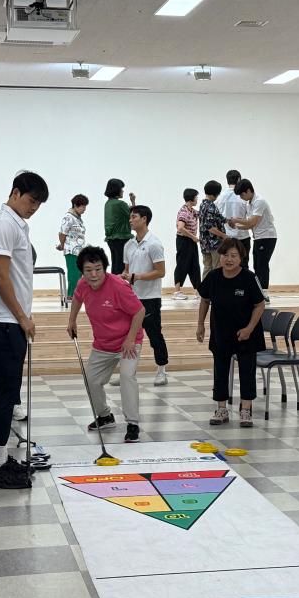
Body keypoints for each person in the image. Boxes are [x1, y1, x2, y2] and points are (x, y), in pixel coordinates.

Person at [0, 171, 50, 488]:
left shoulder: (15, 223)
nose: (34, 207)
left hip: (9, 321)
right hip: (2, 322)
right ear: (15, 192)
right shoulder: (4, 224)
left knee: (7, 393)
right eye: (31, 200)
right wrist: (22, 317)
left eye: (39, 203)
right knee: (4, 394)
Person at [67, 246, 145, 443]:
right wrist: (72, 320)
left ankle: (133, 423)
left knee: (127, 377)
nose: (94, 275)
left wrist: (130, 339)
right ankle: (105, 416)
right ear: (82, 271)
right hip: (103, 344)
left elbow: (139, 311)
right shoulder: (83, 284)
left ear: (105, 268)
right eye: (88, 270)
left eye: (98, 269)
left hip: (128, 341)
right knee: (91, 380)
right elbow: (77, 298)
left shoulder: (118, 286)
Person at [196, 238, 266, 428]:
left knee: (247, 371)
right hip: (221, 332)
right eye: (225, 255)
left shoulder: (249, 278)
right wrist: (200, 324)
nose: (229, 259)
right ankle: (221, 409)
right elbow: (204, 300)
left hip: (246, 334)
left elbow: (260, 305)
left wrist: (249, 328)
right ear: (220, 256)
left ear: (241, 258)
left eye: (234, 256)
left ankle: (246, 410)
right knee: (220, 371)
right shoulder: (213, 277)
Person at [123, 205, 168, 386]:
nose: (130, 220)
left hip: (150, 297)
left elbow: (161, 271)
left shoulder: (154, 243)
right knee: (128, 335)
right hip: (131, 297)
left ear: (144, 219)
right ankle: (127, 372)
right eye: (130, 217)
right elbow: (127, 271)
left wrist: (137, 277)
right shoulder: (129, 244)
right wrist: (122, 277)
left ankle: (161, 370)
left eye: (134, 217)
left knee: (154, 334)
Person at [228, 179, 277, 301]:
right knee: (256, 265)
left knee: (261, 265)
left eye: (242, 194)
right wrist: (236, 226)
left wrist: (236, 220)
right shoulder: (250, 203)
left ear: (248, 190)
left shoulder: (259, 201)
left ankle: (264, 293)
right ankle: (259, 291)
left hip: (267, 237)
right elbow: (250, 225)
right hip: (259, 237)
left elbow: (252, 222)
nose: (241, 197)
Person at [216, 170, 251, 268]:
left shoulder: (220, 198)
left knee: (226, 266)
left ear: (227, 180)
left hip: (226, 236)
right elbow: (250, 217)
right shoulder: (243, 196)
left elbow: (217, 218)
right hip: (242, 236)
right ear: (239, 179)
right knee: (243, 266)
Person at [58, 194, 89, 300]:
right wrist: (62, 245)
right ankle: (71, 295)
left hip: (79, 251)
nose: (84, 209)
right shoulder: (68, 217)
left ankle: (77, 295)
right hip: (71, 250)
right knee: (73, 274)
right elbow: (62, 233)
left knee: (79, 273)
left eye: (85, 206)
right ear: (75, 205)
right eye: (83, 206)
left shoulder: (78, 218)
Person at [173, 188, 201, 299]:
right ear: (191, 199)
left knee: (194, 265)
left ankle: (198, 291)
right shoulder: (184, 211)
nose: (197, 199)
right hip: (183, 241)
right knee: (182, 264)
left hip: (191, 241)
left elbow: (202, 215)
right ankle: (177, 292)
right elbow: (180, 228)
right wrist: (193, 237)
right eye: (196, 197)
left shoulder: (192, 211)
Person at [104, 178, 135, 275]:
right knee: (123, 267)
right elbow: (133, 215)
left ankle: (113, 284)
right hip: (122, 239)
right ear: (116, 190)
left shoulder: (108, 203)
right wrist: (133, 202)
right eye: (121, 189)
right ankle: (120, 285)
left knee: (115, 266)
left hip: (111, 239)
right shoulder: (120, 204)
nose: (122, 191)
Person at [198, 181, 229, 280]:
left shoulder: (202, 205)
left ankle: (205, 289)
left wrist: (228, 220)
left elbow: (217, 217)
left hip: (204, 242)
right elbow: (210, 227)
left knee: (207, 267)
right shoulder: (211, 206)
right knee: (217, 268)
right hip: (214, 243)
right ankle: (215, 288)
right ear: (214, 194)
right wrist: (224, 236)